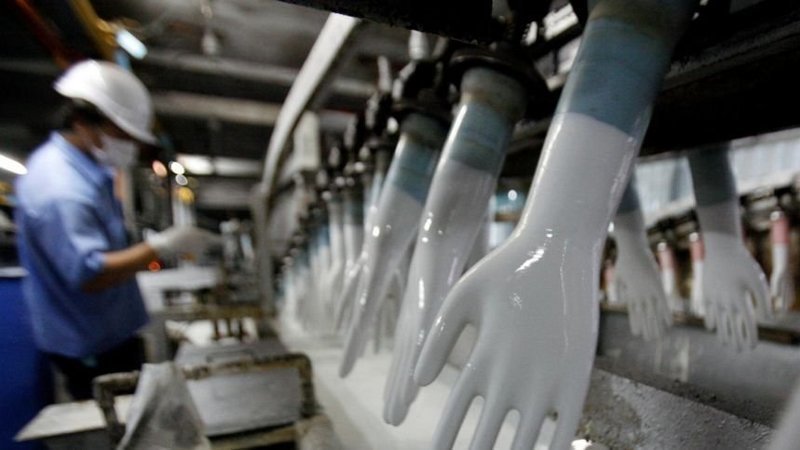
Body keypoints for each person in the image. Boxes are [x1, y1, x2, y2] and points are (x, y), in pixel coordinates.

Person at [14, 60, 218, 400]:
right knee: (118, 420)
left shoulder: (88, 174)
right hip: (91, 348)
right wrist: (162, 246)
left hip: (110, 333)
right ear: (82, 122)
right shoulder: (61, 189)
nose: (131, 146)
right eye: (122, 135)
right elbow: (91, 274)